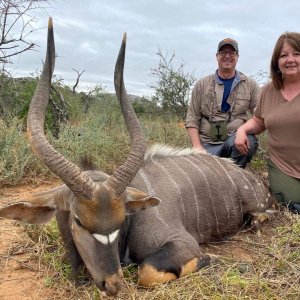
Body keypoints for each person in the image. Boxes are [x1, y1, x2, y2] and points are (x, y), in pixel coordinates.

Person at [235, 32, 300, 213]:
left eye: (296, 54)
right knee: (289, 203)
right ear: (276, 62)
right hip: (283, 166)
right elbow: (259, 121)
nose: (290, 60)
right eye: (284, 55)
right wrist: (242, 130)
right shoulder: (268, 91)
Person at [185, 38, 260, 168]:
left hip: (234, 139)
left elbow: (259, 117)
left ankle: (236, 174)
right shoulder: (201, 84)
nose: (227, 56)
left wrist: (242, 130)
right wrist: (197, 146)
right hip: (207, 143)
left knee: (250, 141)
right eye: (223, 52)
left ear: (237, 56)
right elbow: (192, 119)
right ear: (217, 56)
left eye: (231, 53)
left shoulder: (250, 84)